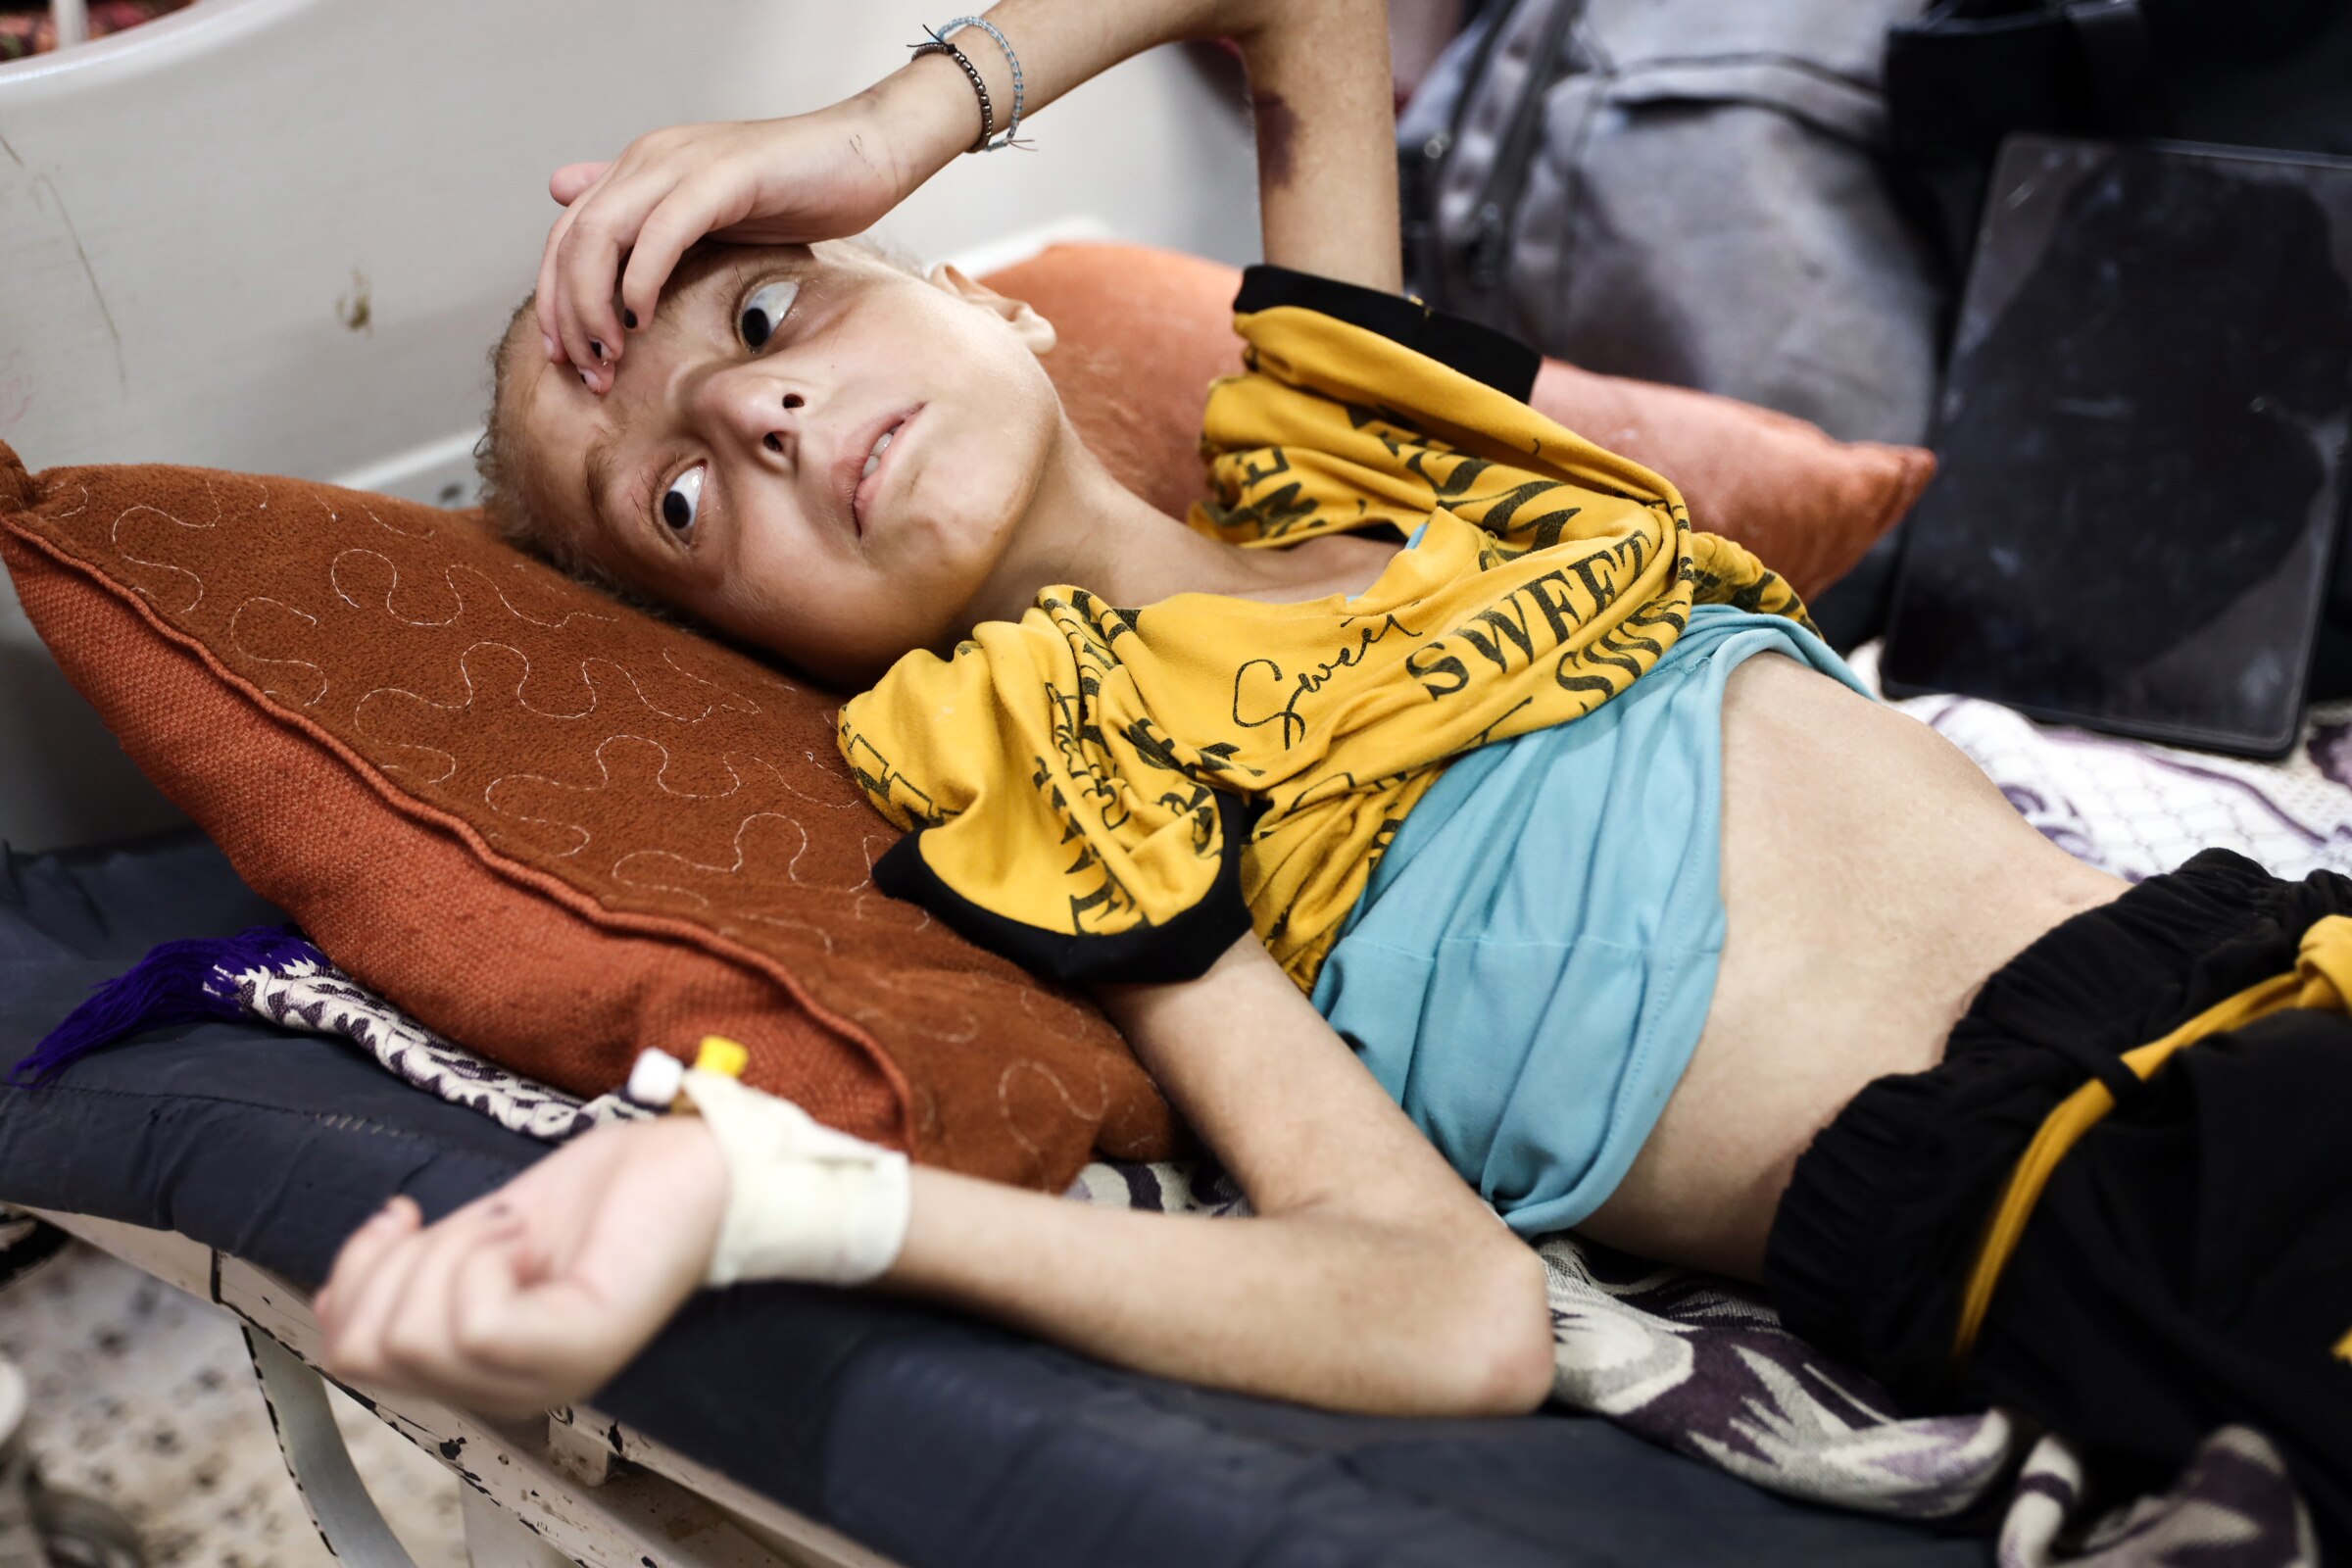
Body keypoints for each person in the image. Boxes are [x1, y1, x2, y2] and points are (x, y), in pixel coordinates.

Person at [312, 0, 2352, 1545]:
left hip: (2275, 954)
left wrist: (883, 119)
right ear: (744, 639)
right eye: (674, 493)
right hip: (2097, 1178)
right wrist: (778, 1195)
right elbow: (1443, 1310)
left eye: (763, 307)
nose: (757, 408)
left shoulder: (1359, 440)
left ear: (952, 277)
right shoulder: (1062, 758)